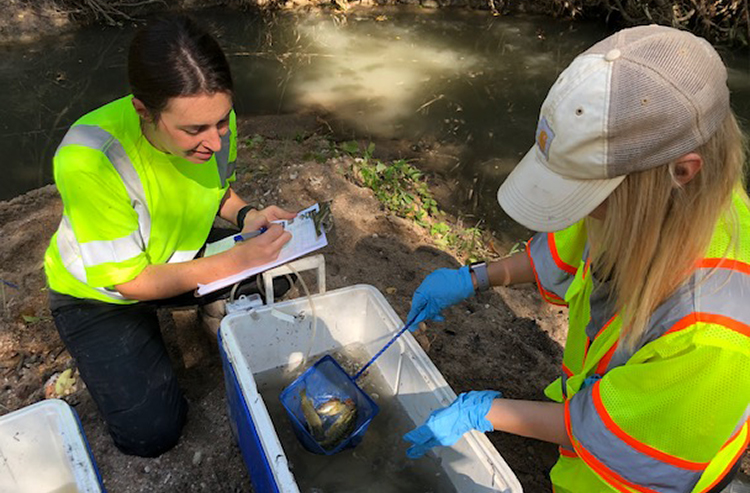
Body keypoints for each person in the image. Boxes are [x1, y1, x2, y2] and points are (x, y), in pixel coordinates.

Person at [404, 25, 750, 492]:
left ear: (682, 171)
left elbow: (614, 435)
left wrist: (486, 413)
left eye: (591, 195)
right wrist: (473, 279)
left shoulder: (714, 336)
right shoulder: (653, 203)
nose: (583, 212)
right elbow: (569, 250)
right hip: (602, 412)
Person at [44, 14, 296, 457]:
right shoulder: (88, 158)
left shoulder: (214, 121)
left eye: (221, 122)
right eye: (194, 130)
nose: (216, 142)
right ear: (144, 110)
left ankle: (208, 307)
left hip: (181, 257)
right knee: (152, 435)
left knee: (280, 267)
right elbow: (130, 281)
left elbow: (216, 191)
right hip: (102, 295)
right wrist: (236, 262)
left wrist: (246, 215)